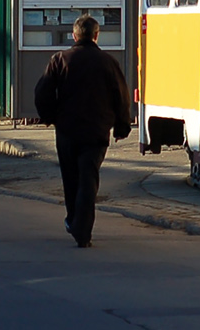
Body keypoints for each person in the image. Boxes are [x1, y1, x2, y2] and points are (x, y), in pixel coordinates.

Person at [33, 15, 131, 248]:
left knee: (71, 179)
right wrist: (122, 126)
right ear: (97, 36)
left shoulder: (60, 60)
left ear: (74, 36)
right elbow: (121, 96)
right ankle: (82, 229)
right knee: (89, 179)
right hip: (96, 132)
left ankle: (74, 220)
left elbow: (42, 92)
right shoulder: (108, 62)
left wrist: (50, 117)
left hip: (67, 130)